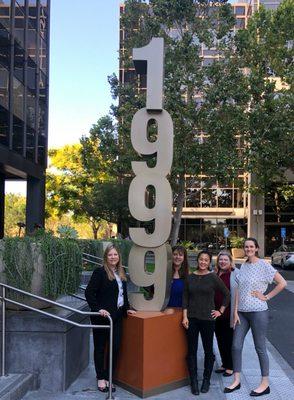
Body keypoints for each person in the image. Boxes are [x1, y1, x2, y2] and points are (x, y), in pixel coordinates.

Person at [224, 237, 287, 397]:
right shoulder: (243, 266)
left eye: (251, 246)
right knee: (236, 346)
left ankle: (265, 383)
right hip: (242, 314)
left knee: (260, 348)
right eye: (246, 247)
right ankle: (237, 380)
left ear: (257, 248)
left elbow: (282, 283)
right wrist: (236, 311)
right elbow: (237, 290)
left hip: (258, 312)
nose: (248, 249)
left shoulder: (264, 266)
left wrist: (266, 296)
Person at [85, 244, 136, 392]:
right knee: (100, 348)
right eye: (110, 255)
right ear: (105, 257)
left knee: (115, 347)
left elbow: (122, 294)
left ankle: (109, 377)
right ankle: (101, 378)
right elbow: (89, 293)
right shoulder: (99, 272)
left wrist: (127, 308)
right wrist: (97, 309)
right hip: (102, 317)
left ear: (119, 257)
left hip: (117, 316)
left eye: (115, 255)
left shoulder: (121, 272)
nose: (113, 257)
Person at [182, 250, 230, 395]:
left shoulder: (213, 277)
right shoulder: (189, 277)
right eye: (201, 259)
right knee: (191, 351)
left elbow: (227, 294)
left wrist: (220, 311)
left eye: (206, 260)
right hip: (192, 318)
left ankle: (206, 380)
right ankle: (194, 382)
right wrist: (184, 317)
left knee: (208, 350)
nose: (203, 262)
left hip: (208, 320)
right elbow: (185, 298)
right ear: (197, 260)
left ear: (209, 262)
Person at [214, 251, 237, 377]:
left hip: (228, 313)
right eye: (220, 260)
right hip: (215, 314)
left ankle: (230, 366)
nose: (222, 262)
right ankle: (224, 364)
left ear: (230, 261)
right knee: (219, 340)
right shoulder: (215, 273)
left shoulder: (234, 274)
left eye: (225, 260)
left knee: (228, 341)